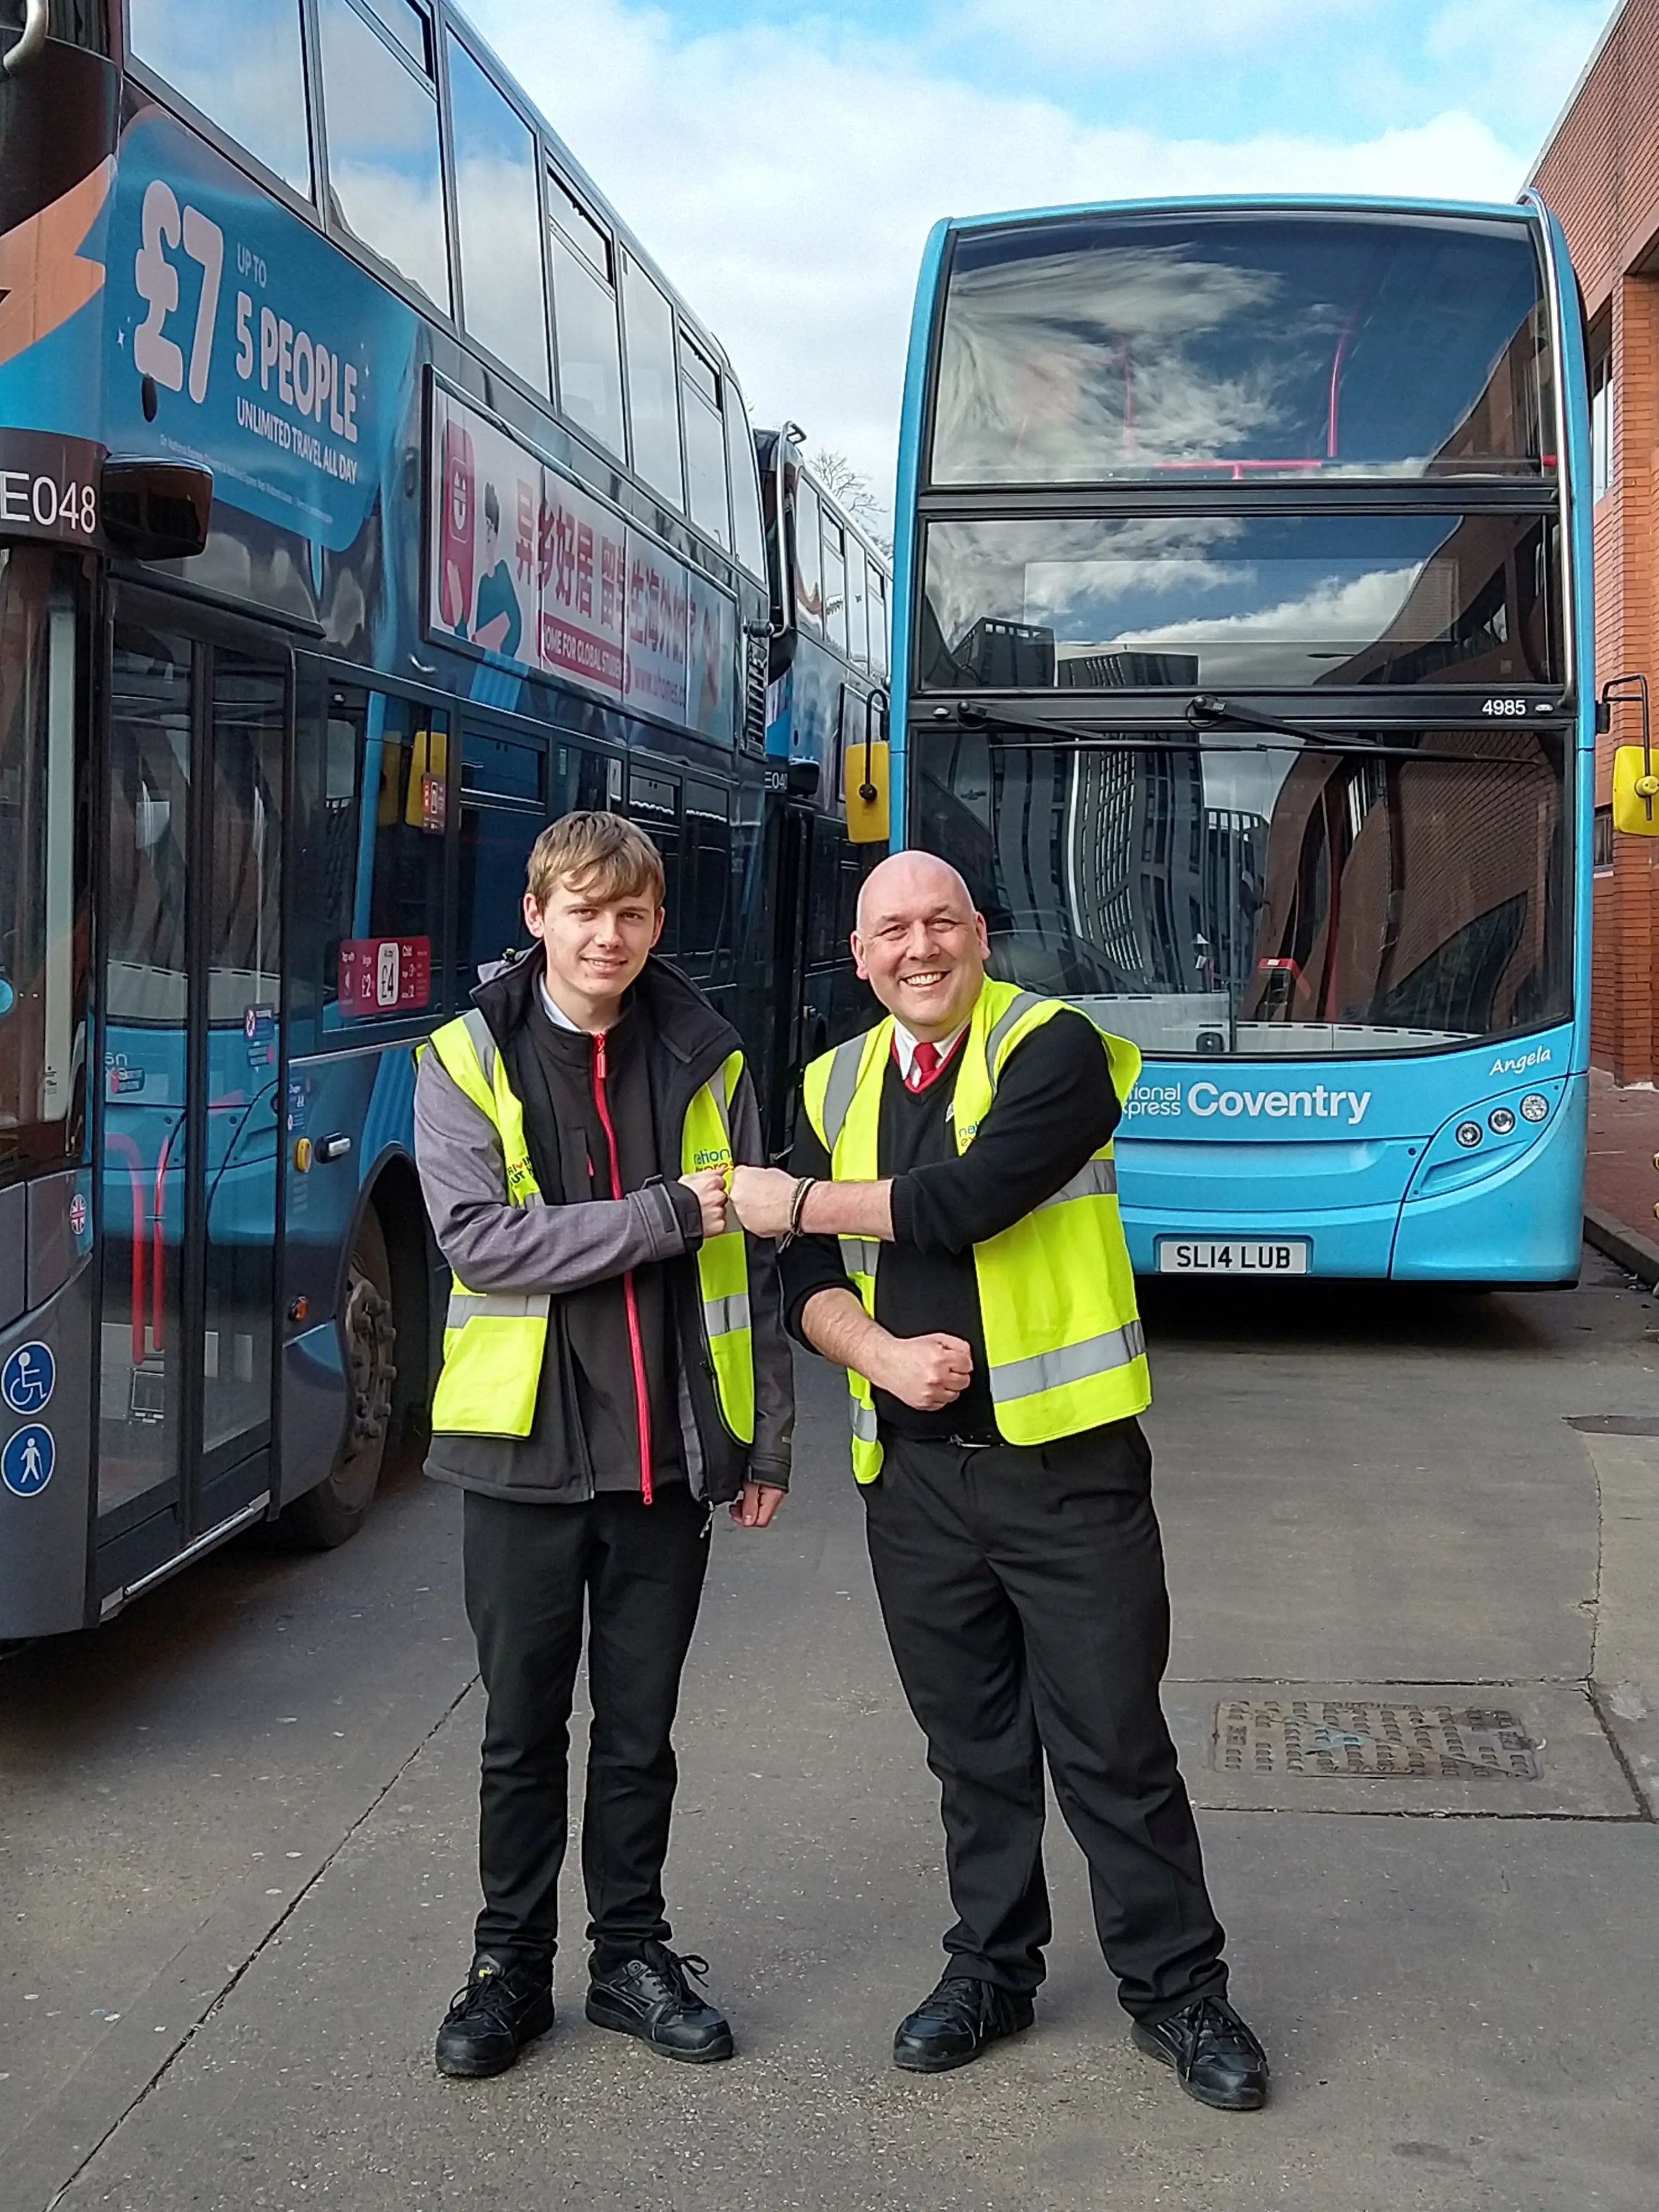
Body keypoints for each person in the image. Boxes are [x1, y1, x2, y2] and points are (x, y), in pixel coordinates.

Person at [729, 851, 1268, 2112]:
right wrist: (879, 1353)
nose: (919, 949)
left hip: (1066, 1473)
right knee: (970, 1747)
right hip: (913, 1479)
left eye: (941, 923)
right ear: (859, 958)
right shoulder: (834, 1078)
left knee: (1113, 1746)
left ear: (980, 933)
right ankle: (992, 1967)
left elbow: (966, 1200)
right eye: (891, 931)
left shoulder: (1058, 1048)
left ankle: (1180, 1993)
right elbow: (798, 1283)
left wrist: (794, 1197)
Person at [414, 811, 792, 2079]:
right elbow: (483, 1240)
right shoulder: (465, 1057)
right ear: (537, 916)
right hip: (521, 1455)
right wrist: (664, 1213)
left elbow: (749, 1253)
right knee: (521, 1728)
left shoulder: (707, 1053)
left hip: (664, 1456)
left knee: (641, 1727)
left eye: (631, 913)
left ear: (656, 924)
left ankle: (630, 1955)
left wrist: (765, 1437)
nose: (608, 934)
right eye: (584, 909)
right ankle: (505, 1968)